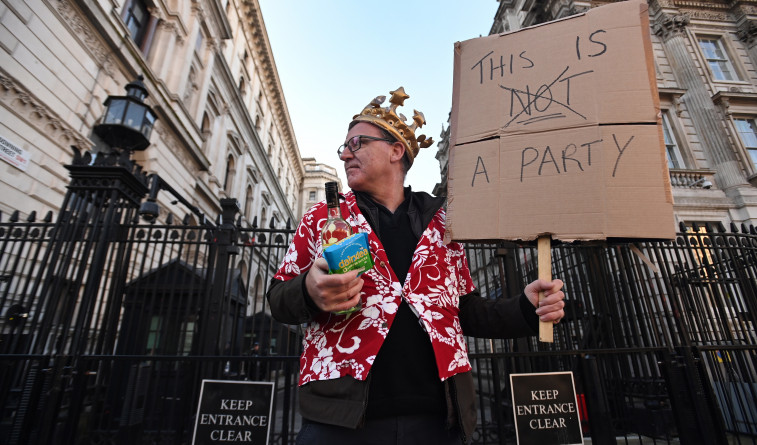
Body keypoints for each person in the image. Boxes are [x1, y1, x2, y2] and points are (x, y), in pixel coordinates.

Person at [266, 87, 565, 445]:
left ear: (396, 151)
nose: (346, 153)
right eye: (343, 147)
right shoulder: (322, 217)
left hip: (439, 419)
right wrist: (307, 291)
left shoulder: (444, 222)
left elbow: (464, 311)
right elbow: (278, 298)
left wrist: (525, 309)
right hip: (339, 421)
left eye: (358, 142)